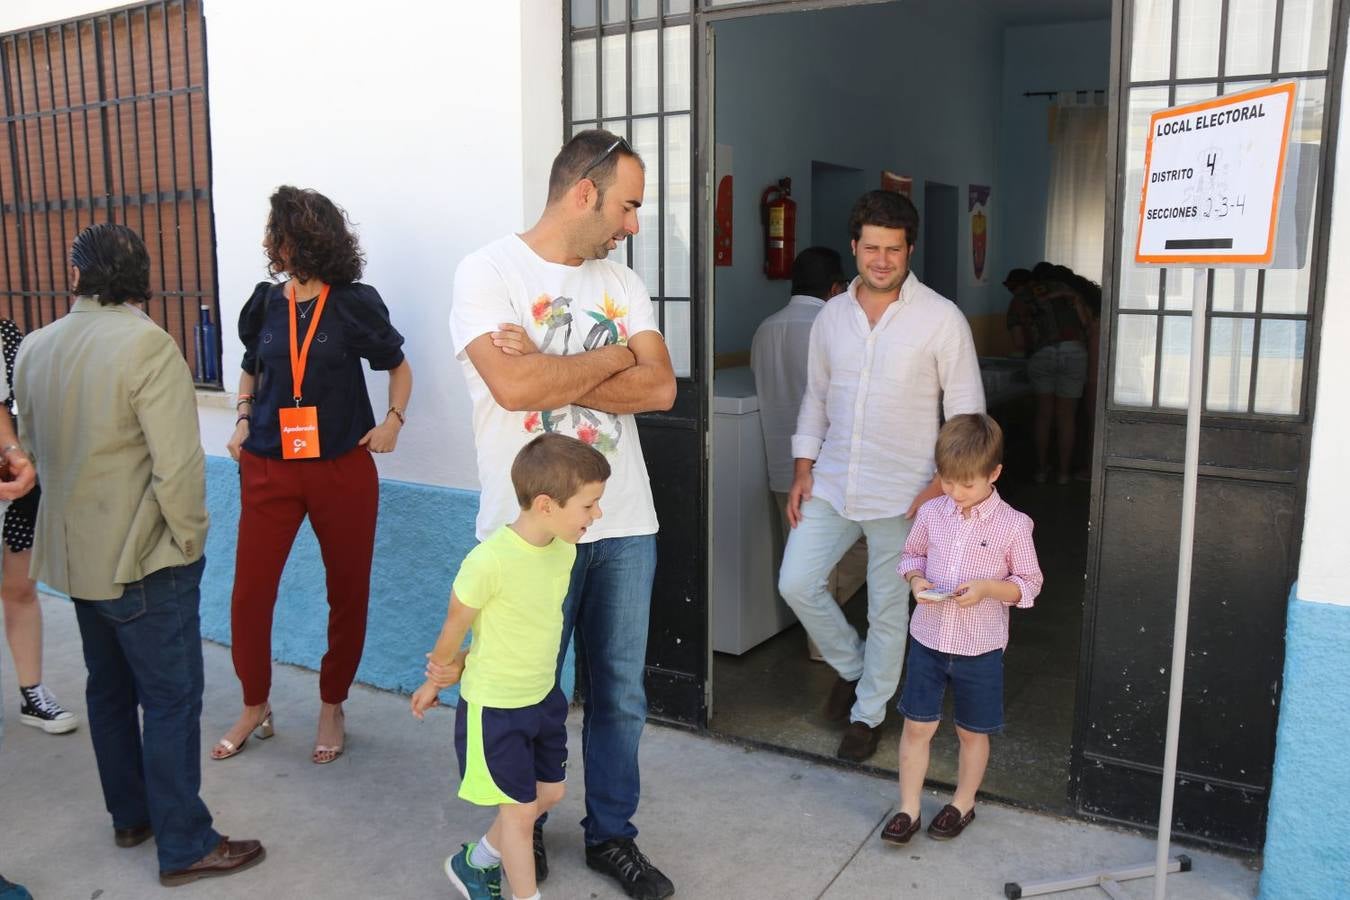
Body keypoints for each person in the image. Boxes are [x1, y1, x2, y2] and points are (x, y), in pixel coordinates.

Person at [449, 129, 677, 900]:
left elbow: (662, 390)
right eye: (628, 205)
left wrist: (552, 363)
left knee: (620, 695)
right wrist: (616, 356)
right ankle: (523, 834)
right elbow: (513, 393)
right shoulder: (487, 273)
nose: (633, 223)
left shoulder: (622, 281)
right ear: (584, 191)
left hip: (624, 526)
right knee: (526, 691)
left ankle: (612, 837)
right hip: (530, 537)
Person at [14, 222, 264, 885]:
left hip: (77, 562)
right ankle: (184, 843)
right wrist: (187, 541)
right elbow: (178, 468)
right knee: (173, 699)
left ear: (76, 276)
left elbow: (32, 452)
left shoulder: (34, 348)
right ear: (142, 276)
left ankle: (131, 816)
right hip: (146, 559)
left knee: (109, 690)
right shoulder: (149, 346)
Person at [780, 189, 985, 763]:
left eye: (893, 249)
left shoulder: (941, 319)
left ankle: (868, 714)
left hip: (907, 494)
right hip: (834, 481)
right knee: (796, 582)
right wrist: (803, 468)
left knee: (889, 609)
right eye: (872, 247)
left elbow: (967, 413)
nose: (882, 260)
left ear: (908, 249)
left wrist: (941, 486)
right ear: (855, 247)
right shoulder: (831, 319)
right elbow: (816, 398)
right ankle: (854, 665)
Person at [217, 186, 413, 765]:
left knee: (346, 595)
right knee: (249, 596)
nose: (266, 243)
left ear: (301, 238)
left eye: (275, 232)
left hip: (341, 469)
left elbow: (398, 367)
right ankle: (256, 704)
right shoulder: (263, 303)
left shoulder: (352, 303)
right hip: (270, 468)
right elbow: (253, 368)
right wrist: (242, 419)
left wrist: (393, 422)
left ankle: (332, 703)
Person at [413, 433, 610, 900]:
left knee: (551, 794)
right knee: (521, 818)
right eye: (589, 505)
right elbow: (457, 624)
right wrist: (440, 674)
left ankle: (475, 861)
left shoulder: (564, 551)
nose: (596, 515)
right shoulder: (488, 562)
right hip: (496, 709)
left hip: (543, 697)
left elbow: (521, 624)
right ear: (546, 505)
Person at [882, 414, 1043, 844]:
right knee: (916, 726)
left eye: (967, 485)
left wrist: (990, 588)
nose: (957, 493)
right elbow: (910, 558)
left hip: (981, 647)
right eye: (948, 482)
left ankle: (963, 802)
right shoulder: (934, 512)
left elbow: (1029, 584)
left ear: (994, 474)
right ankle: (908, 808)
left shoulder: (1013, 525)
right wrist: (917, 581)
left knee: (972, 731)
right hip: (929, 640)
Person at [749, 248, 865, 661]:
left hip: (781, 464)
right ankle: (825, 651)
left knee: (805, 562)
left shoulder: (765, 328)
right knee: (856, 552)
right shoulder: (831, 325)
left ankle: (818, 628)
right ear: (836, 288)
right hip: (830, 467)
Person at [0, 319, 78, 736]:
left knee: (19, 587)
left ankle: (33, 694)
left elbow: (13, 406)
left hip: (15, 482)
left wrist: (16, 453)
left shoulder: (8, 336)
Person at [1007, 262, 1089, 484]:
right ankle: (1063, 474)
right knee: (1067, 417)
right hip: (1074, 352)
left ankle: (1041, 471)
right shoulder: (1068, 291)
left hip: (1042, 354)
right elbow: (1086, 324)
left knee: (1044, 414)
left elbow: (1019, 342)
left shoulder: (1021, 298)